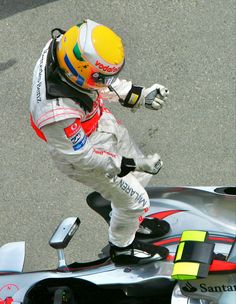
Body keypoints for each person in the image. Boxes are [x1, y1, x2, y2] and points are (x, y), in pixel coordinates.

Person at [30, 19, 170, 265]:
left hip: (94, 120)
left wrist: (140, 95)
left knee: (140, 180)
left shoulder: (66, 48)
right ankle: (122, 250)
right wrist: (132, 163)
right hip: (79, 153)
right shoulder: (55, 113)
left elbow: (100, 82)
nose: (109, 79)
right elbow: (84, 157)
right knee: (137, 201)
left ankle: (124, 215)